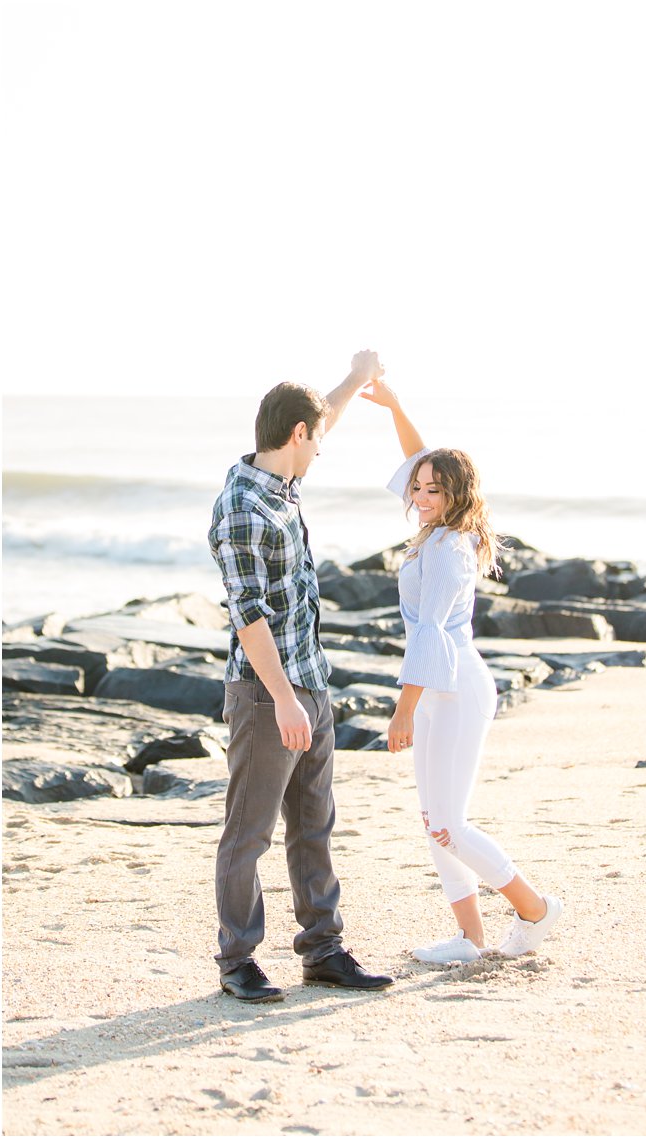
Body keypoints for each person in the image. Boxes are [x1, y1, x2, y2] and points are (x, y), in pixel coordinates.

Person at [208, 350, 395, 1002]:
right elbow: (248, 614)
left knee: (313, 827)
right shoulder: (240, 506)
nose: (322, 448)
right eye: (316, 440)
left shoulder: (283, 484)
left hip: (311, 684)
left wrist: (357, 375)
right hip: (267, 695)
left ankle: (323, 951)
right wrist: (284, 699)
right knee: (249, 833)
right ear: (296, 437)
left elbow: (325, 419)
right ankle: (237, 960)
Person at [359, 376, 563, 963]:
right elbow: (418, 459)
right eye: (418, 487)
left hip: (456, 685)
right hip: (436, 687)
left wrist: (403, 710)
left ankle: (534, 909)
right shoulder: (436, 532)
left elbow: (428, 633)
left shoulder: (449, 548)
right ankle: (471, 940)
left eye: (433, 489)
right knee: (432, 820)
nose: (420, 494)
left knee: (448, 821)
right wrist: (395, 408)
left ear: (458, 495)